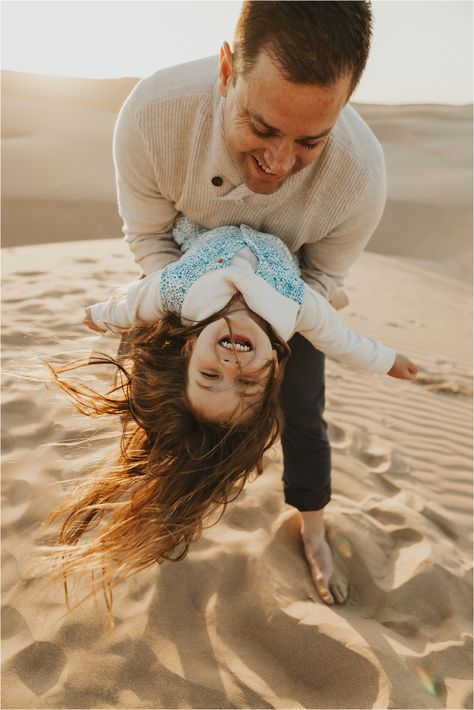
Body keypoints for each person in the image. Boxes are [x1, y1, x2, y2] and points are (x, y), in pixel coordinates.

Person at [110, 1, 394, 604]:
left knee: (305, 417)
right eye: (261, 128)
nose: (279, 162)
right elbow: (150, 239)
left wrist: (276, 317)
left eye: (311, 140)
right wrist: (192, 299)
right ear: (225, 70)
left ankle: (312, 530)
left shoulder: (361, 177)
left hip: (288, 306)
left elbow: (321, 278)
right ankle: (158, 500)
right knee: (154, 398)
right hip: (184, 279)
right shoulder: (153, 116)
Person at [50, 216, 415, 606]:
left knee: (295, 417)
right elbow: (345, 341)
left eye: (210, 375)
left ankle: (313, 530)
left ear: (189, 351)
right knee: (302, 405)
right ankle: (182, 490)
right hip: (282, 313)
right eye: (246, 383)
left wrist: (101, 314)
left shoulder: (179, 293)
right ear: (274, 367)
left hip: (213, 267)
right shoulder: (295, 307)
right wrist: (388, 360)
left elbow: (135, 303)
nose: (231, 368)